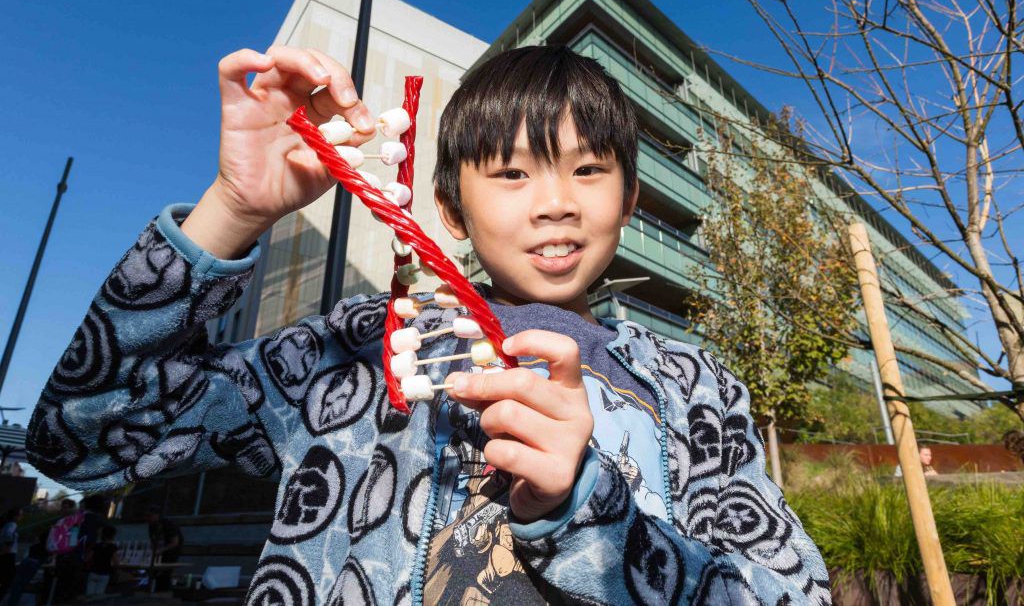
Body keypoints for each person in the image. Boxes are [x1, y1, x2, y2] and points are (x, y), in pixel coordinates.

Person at [25, 44, 830, 604]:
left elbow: (786, 589)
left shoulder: (696, 389)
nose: (555, 199)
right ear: (448, 209)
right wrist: (230, 210)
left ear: (626, 199)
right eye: (511, 172)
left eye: (589, 168)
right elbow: (87, 435)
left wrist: (585, 504)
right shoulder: (366, 351)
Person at [144, 505, 182, 591]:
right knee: (153, 573)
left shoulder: (169, 524)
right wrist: (153, 551)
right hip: (159, 552)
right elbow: (152, 541)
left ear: (157, 515)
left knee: (164, 574)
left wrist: (160, 550)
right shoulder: (151, 525)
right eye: (147, 516)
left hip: (170, 552)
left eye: (150, 516)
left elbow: (175, 542)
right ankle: (153, 590)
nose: (148, 518)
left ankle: (163, 592)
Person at [85, 525, 121, 597]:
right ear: (112, 536)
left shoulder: (96, 545)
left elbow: (88, 558)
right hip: (104, 573)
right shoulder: (113, 547)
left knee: (89, 596)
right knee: (98, 597)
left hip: (93, 571)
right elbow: (116, 562)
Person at [0, 508, 21, 602]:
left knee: (6, 577)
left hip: (6, 553)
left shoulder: (6, 524)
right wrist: (7, 548)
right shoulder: (12, 525)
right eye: (20, 515)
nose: (21, 517)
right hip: (8, 554)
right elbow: (8, 536)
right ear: (15, 516)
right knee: (7, 578)